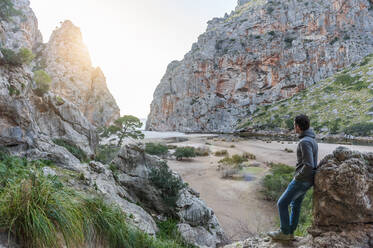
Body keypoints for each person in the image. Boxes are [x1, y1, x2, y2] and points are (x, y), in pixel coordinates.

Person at [267, 114, 318, 241]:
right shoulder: (312, 139)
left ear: (298, 126)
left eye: (294, 124)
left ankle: (284, 232)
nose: (293, 126)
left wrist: (297, 177)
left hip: (302, 180)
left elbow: (309, 165)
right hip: (308, 180)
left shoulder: (305, 141)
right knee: (296, 205)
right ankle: (290, 233)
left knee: (282, 204)